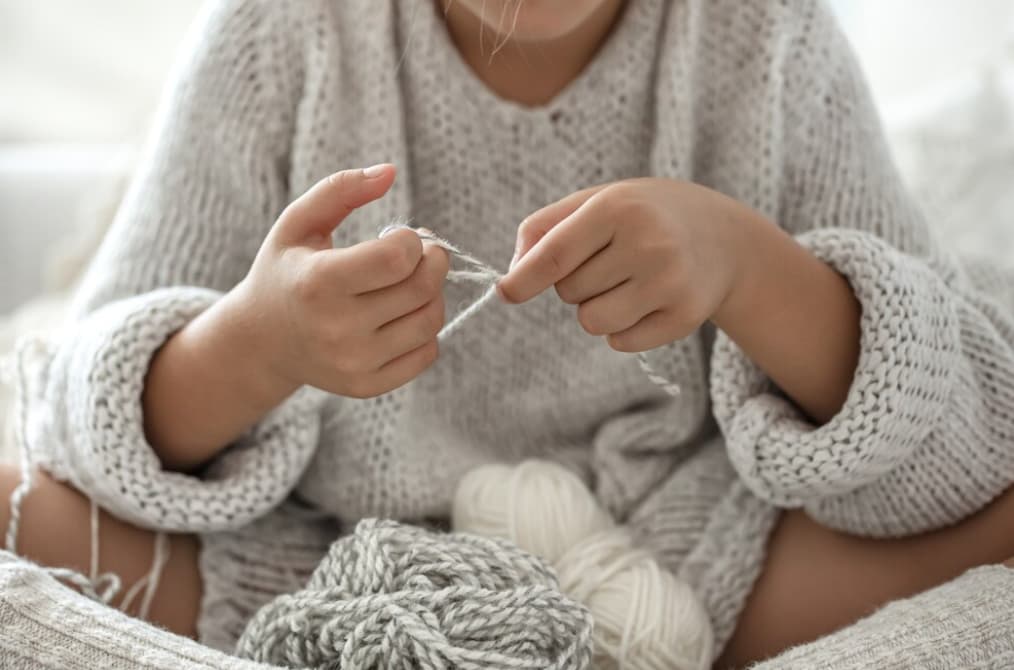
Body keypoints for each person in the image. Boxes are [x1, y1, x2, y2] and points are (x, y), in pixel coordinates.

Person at [2, 0, 1014, 666]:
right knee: (15, 501)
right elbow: (80, 419)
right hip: (319, 569)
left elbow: (962, 435)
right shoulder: (279, 34)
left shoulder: (771, 39)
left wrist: (751, 269)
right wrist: (252, 349)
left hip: (692, 563)